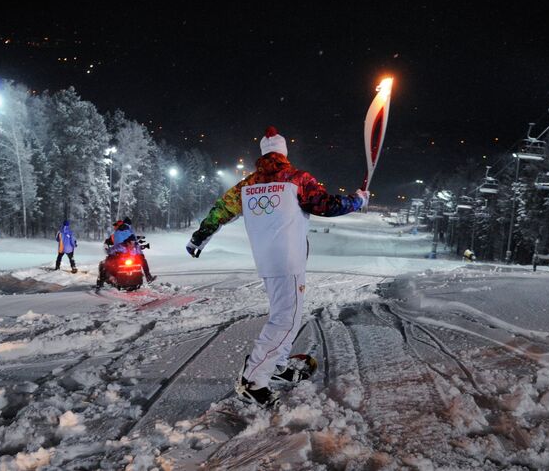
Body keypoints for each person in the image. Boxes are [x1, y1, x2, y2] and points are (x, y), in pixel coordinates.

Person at [186, 126, 369, 406]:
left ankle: (278, 366)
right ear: (283, 153)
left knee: (285, 315)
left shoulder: (247, 185)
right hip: (289, 261)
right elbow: (326, 205)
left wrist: (200, 237)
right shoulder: (296, 179)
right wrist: (357, 200)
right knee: (286, 320)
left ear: (263, 154)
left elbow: (220, 211)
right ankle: (254, 380)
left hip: (266, 261)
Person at [103, 217, 156, 283]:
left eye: (116, 225)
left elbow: (113, 246)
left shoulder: (118, 234)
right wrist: (141, 255)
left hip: (124, 256)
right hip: (125, 255)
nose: (115, 227)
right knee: (142, 260)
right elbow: (135, 243)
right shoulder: (128, 234)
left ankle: (110, 276)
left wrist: (109, 251)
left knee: (110, 261)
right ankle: (148, 276)